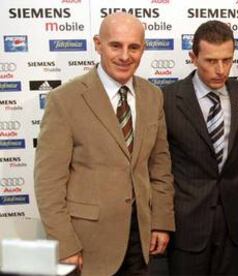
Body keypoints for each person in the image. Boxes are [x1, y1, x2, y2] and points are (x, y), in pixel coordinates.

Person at [34, 12, 174, 275]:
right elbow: (48, 184)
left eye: (133, 47)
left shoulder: (153, 96)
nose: (125, 56)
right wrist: (64, 243)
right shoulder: (64, 100)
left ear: (143, 49)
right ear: (98, 44)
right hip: (87, 244)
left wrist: (161, 221)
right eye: (115, 45)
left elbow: (160, 166)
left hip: (140, 239)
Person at [162, 20, 238, 275]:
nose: (220, 70)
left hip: (231, 222)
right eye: (211, 61)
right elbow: (158, 165)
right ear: (193, 57)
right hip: (187, 223)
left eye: (227, 60)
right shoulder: (167, 99)